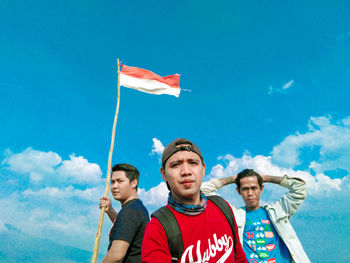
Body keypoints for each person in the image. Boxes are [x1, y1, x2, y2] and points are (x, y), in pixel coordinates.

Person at [141, 138, 247, 263]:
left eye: (193, 163)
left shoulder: (223, 207)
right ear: (164, 174)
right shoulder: (158, 228)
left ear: (203, 168)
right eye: (175, 165)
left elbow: (239, 257)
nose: (186, 171)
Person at [201, 169, 310, 263]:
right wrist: (233, 179)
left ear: (261, 189)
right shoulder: (234, 214)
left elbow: (300, 188)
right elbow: (203, 190)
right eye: (245, 189)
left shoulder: (278, 210)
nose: (250, 193)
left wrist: (266, 178)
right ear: (238, 191)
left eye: (254, 188)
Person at [99, 163, 149, 263]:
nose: (114, 186)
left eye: (120, 181)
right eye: (112, 182)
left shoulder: (130, 211)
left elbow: (116, 256)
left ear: (134, 183)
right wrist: (110, 211)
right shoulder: (136, 208)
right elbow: (125, 228)